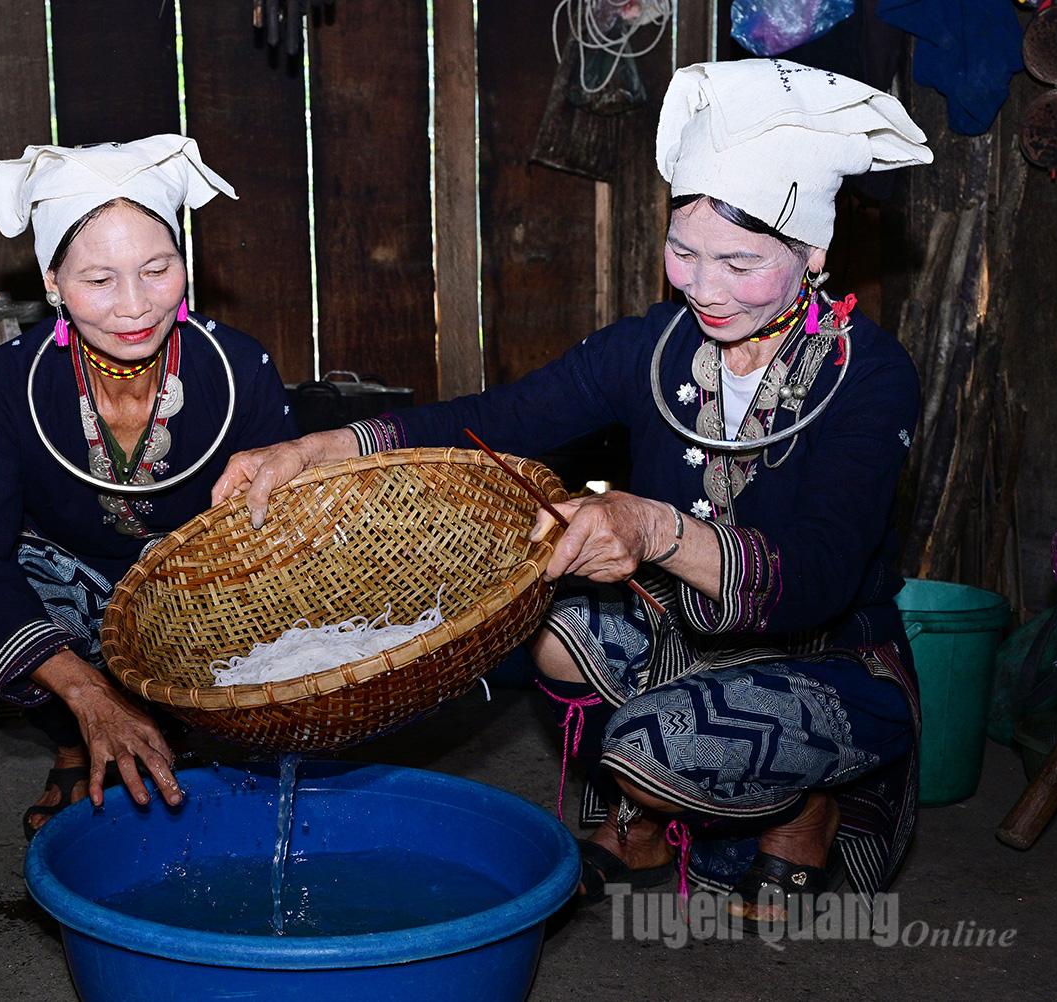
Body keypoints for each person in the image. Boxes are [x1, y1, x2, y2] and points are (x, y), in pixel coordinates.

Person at [212, 60, 932, 926]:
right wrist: (315, 447)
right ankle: (651, 812)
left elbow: (816, 577)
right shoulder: (654, 348)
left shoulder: (871, 374)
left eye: (740, 262)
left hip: (828, 660)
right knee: (548, 630)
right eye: (684, 252)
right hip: (685, 632)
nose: (702, 287)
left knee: (660, 742)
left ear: (813, 254)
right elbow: (500, 415)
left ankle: (802, 805)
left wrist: (653, 526)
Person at [0, 136, 298, 839]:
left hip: (196, 584)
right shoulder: (3, 386)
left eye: (156, 269)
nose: (135, 306)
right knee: (12, 586)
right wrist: (91, 696)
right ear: (52, 283)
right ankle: (76, 741)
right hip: (65, 589)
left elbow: (284, 537)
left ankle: (181, 726)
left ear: (184, 264)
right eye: (99, 281)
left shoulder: (237, 368)